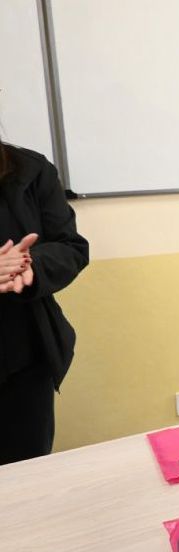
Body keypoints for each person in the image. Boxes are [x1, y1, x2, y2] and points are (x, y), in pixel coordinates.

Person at [0, 137, 89, 465]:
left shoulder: (30, 169)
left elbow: (71, 247)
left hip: (24, 358)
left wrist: (30, 264)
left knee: (26, 480)